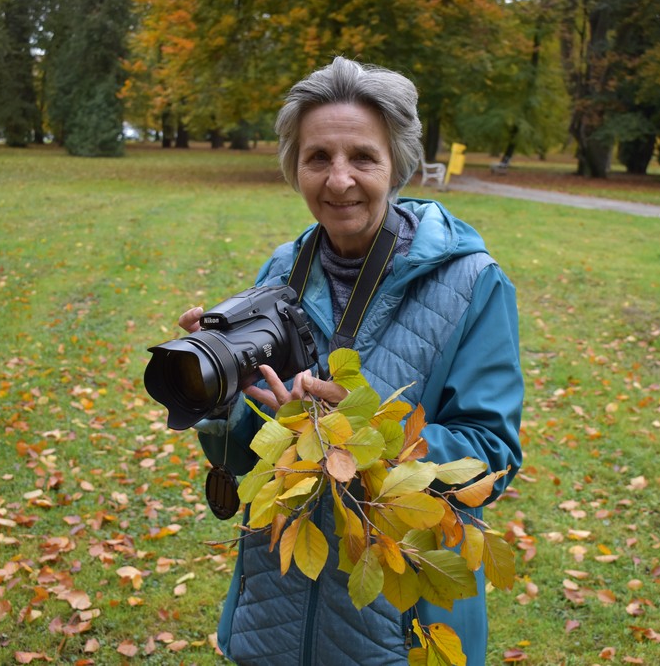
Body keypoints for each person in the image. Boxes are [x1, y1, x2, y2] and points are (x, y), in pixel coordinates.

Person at [178, 56, 523, 666]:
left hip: (398, 619)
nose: (339, 181)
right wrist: (221, 402)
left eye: (363, 157)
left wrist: (366, 432)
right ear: (295, 168)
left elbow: (489, 459)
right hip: (277, 611)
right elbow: (252, 463)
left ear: (397, 165)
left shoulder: (474, 284)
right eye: (318, 158)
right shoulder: (282, 272)